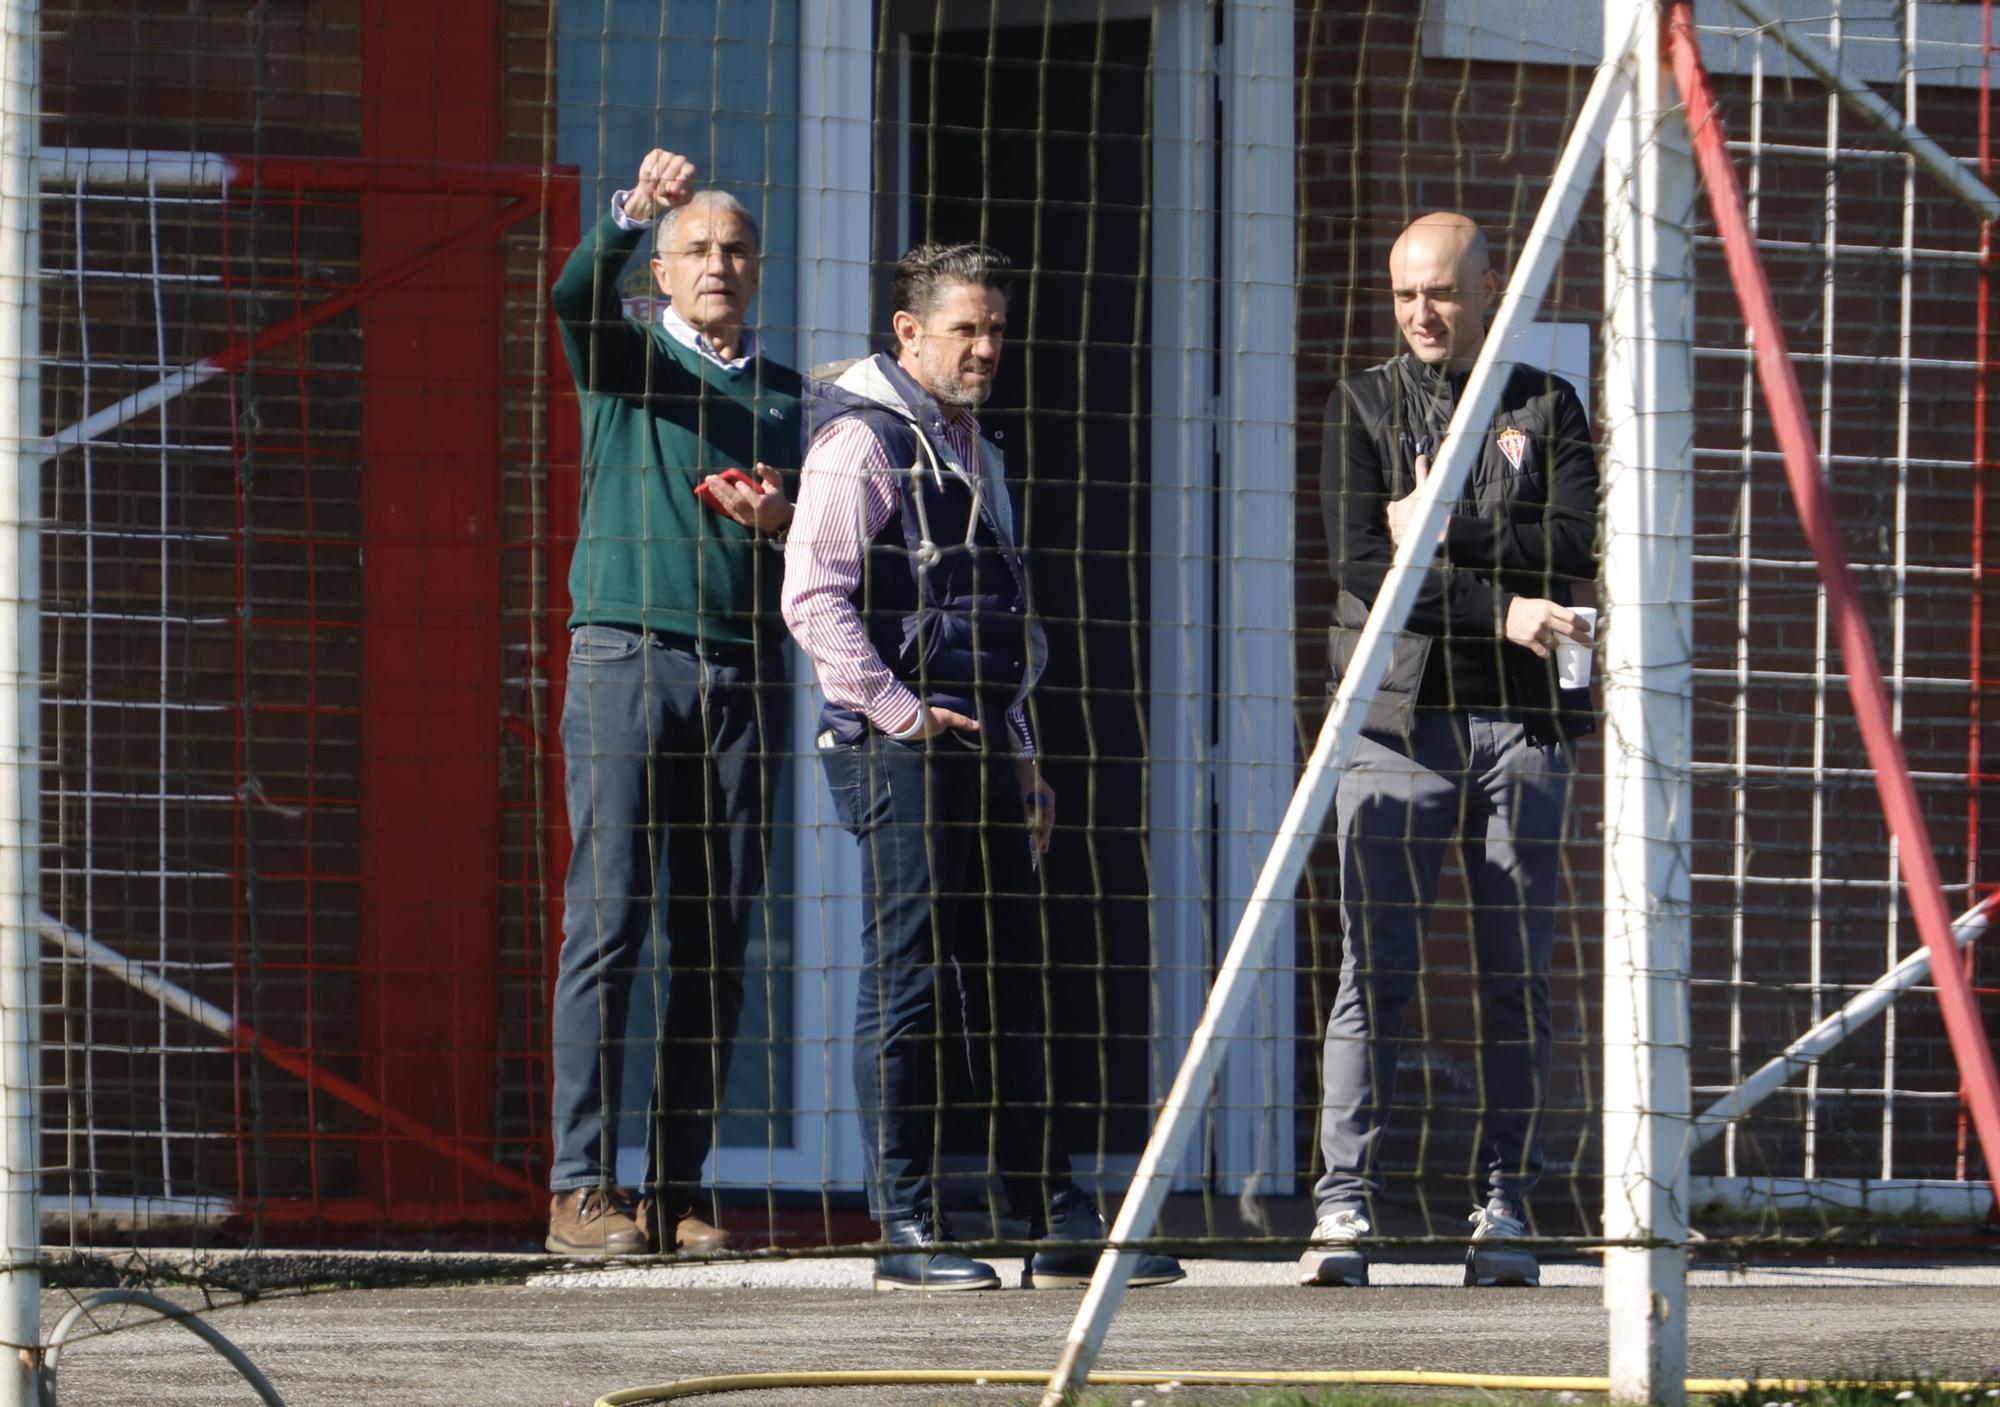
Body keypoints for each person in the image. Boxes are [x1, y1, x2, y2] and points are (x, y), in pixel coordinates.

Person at [782, 242, 1183, 1292]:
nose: (985, 347)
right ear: (907, 332)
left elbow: (1000, 618)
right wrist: (902, 716)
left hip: (985, 748)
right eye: (965, 328)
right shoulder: (857, 442)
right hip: (900, 753)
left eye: (996, 327)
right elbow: (811, 598)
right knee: (909, 982)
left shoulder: (973, 445)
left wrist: (1023, 757)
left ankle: (1053, 1223)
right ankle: (902, 1229)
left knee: (1015, 979)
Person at [1300, 212, 1599, 1289]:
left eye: (1439, 293)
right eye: (1402, 297)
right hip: (1395, 725)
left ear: (1487, 288)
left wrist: (1439, 526)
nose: (1420, 315)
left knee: (1513, 975)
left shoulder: (1543, 401)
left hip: (1523, 728)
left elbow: (1577, 540)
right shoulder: (1363, 404)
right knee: (1370, 973)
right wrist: (1505, 606)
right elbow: (1358, 563)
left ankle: (1501, 1204)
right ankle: (1342, 1210)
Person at [545, 149, 801, 1258]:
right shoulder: (625, 357)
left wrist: (785, 520)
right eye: (695, 247)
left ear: (759, 268)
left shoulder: (793, 398)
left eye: (736, 249)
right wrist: (626, 213)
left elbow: (831, 545)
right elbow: (569, 296)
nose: (718, 264)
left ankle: (679, 1188)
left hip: (742, 674)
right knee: (607, 924)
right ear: (660, 267)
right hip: (622, 659)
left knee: (714, 937)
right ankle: (579, 1188)